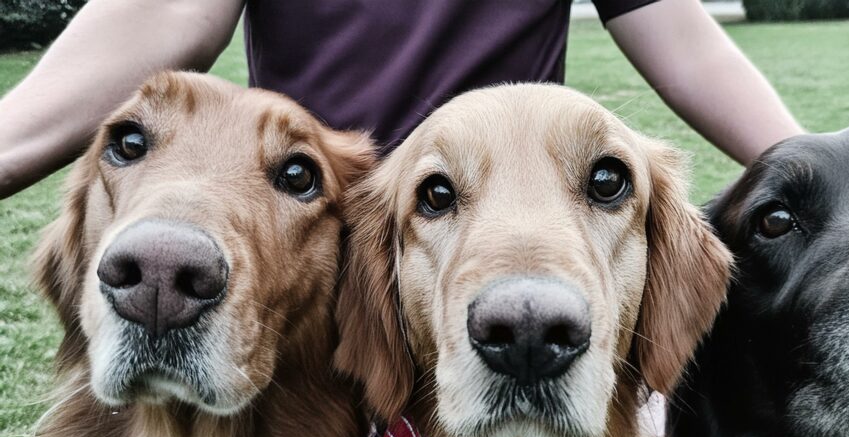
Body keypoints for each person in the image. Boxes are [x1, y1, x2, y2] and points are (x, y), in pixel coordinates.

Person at [0, 0, 802, 200]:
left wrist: (829, 176)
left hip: (499, 233)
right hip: (323, 233)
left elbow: (686, 46)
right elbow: (165, 13)